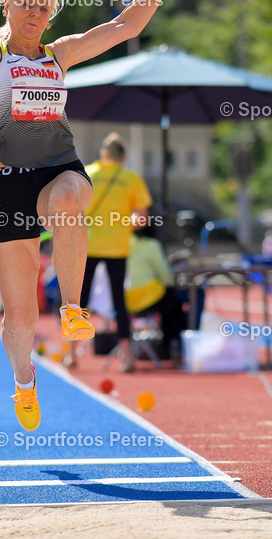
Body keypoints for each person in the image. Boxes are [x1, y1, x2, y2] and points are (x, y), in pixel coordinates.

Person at [0, 0, 190, 430]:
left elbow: (124, 27)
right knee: (18, 319)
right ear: (7, 7)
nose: (35, 12)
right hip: (6, 183)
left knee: (71, 200)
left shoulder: (61, 53)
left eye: (43, 6)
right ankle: (24, 381)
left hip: (59, 168)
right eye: (25, 3)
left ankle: (73, 307)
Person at [79, 133, 153, 373]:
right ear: (123, 157)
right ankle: (127, 358)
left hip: (87, 244)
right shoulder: (131, 178)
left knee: (78, 302)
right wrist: (121, 223)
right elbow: (142, 219)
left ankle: (71, 354)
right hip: (117, 247)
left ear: (103, 154)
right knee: (119, 302)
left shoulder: (86, 174)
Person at [125, 223, 187, 365]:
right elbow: (165, 277)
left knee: (170, 302)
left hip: (123, 301)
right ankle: (177, 345)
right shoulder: (151, 245)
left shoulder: (123, 243)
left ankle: (169, 345)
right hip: (147, 298)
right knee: (177, 302)